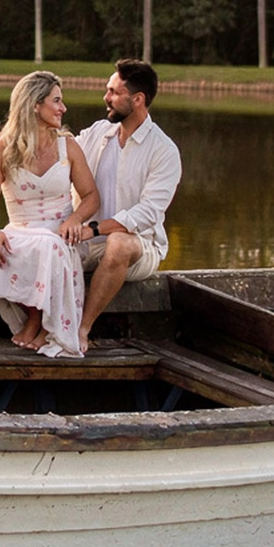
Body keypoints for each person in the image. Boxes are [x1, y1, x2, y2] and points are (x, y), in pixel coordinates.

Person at [0, 69, 101, 356]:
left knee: (51, 246)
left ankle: (43, 322)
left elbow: (91, 197)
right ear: (35, 104)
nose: (63, 108)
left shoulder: (68, 147)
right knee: (15, 248)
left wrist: (75, 219)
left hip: (61, 237)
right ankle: (37, 319)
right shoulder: (0, 150)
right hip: (22, 232)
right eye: (57, 101)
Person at [58, 60, 182, 348]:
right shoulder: (97, 133)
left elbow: (148, 213)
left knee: (118, 244)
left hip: (140, 247)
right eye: (107, 90)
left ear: (137, 100)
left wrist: (95, 228)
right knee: (43, 242)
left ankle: (81, 329)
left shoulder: (163, 151)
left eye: (114, 92)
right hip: (87, 240)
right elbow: (59, 158)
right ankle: (40, 327)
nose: (106, 98)